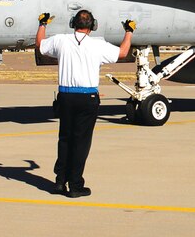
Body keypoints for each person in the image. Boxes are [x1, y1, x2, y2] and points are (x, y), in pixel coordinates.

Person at [35, 10, 135, 197]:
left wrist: (42, 24)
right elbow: (122, 52)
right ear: (93, 25)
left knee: (65, 139)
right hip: (87, 98)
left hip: (65, 96)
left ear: (73, 23)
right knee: (81, 142)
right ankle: (75, 185)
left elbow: (40, 44)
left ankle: (59, 182)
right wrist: (128, 31)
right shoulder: (98, 45)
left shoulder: (60, 40)